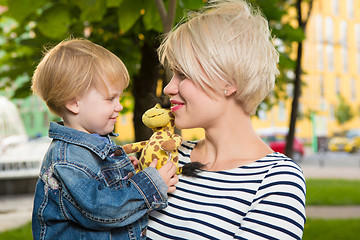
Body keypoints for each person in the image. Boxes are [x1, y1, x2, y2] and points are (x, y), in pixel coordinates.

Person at [146, 0, 306, 239]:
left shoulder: (276, 181)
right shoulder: (166, 157)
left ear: (229, 82)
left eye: (182, 74)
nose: (169, 88)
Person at [31, 38, 179, 240]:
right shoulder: (66, 161)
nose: (119, 106)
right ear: (74, 103)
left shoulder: (97, 143)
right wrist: (152, 185)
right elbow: (102, 210)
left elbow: (106, 188)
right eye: (110, 99)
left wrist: (126, 173)